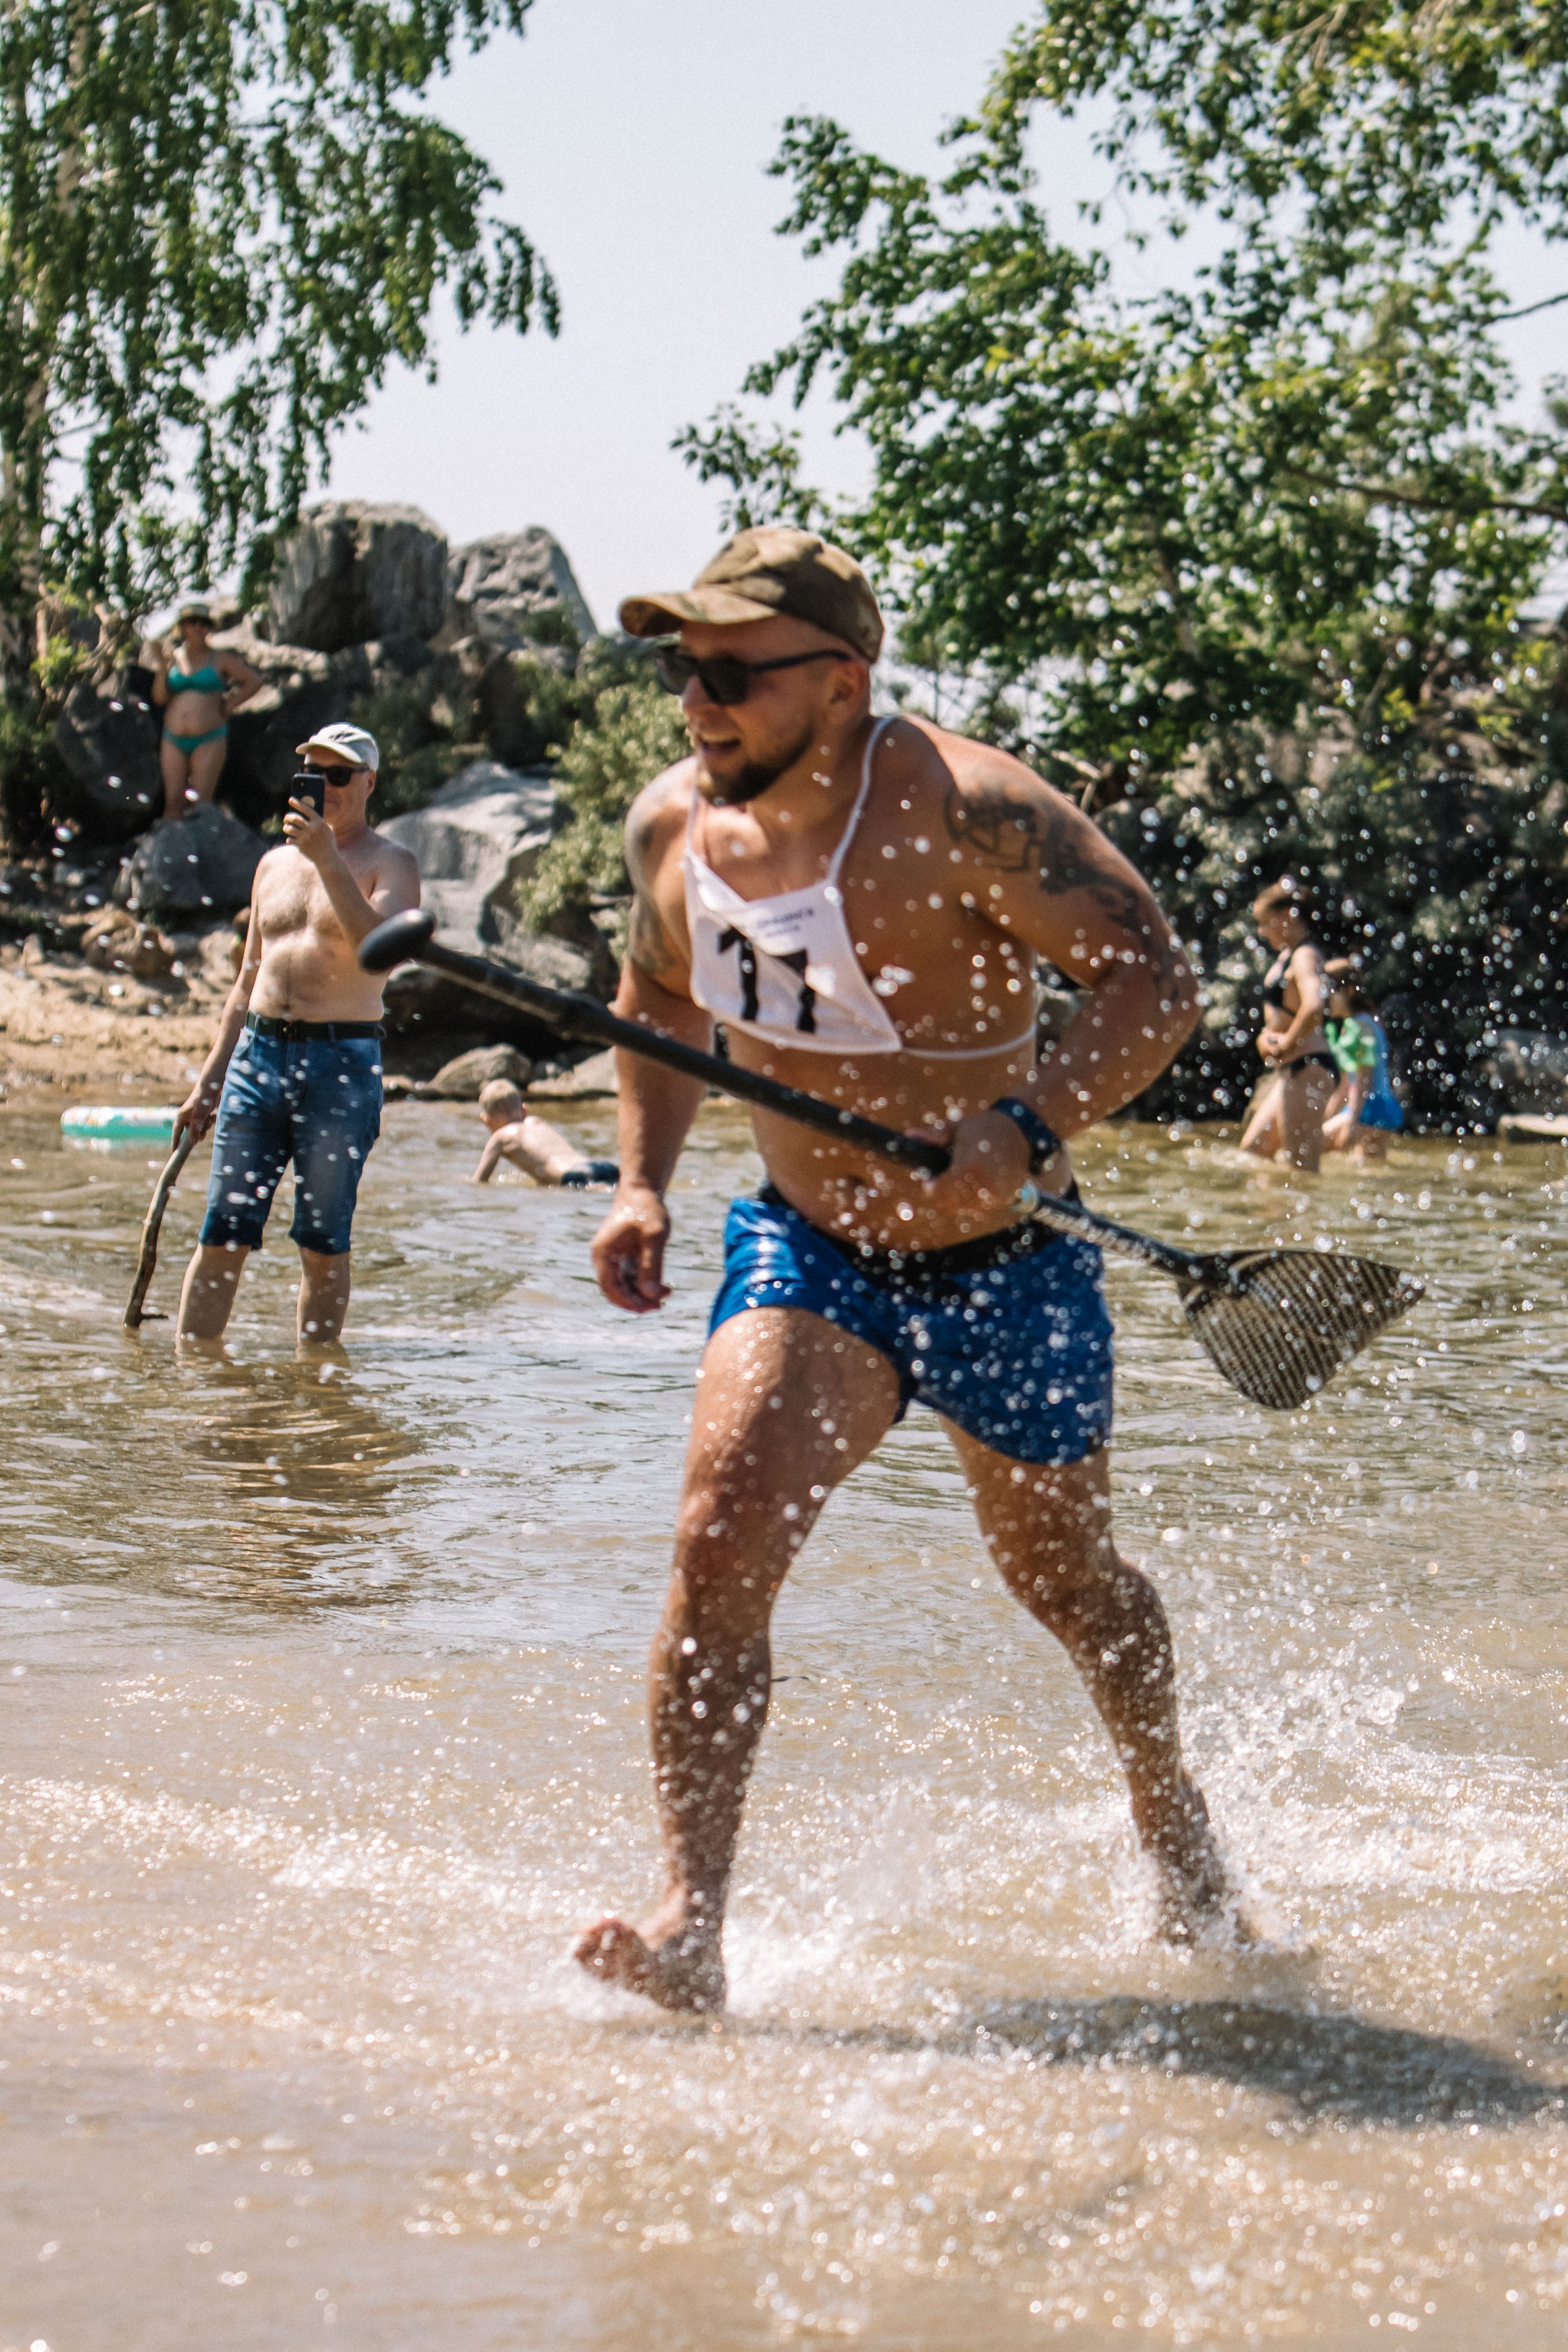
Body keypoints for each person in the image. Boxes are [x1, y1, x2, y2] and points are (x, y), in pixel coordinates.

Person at [571, 524, 1238, 2015]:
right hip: (808, 1254)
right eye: (684, 667)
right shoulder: (670, 829)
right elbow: (659, 995)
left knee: (1063, 1582)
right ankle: (691, 1920)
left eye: (733, 668)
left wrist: (1029, 1114)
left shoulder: (968, 809)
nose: (697, 698)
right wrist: (636, 1181)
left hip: (1004, 1260)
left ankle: (1164, 1809)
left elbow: (1155, 982)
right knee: (715, 1542)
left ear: (843, 677)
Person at [171, 722, 420, 1349]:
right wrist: (208, 1081)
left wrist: (328, 860)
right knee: (222, 1230)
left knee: (322, 1240)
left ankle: (318, 1394)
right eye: (314, 773)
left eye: (339, 776)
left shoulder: (393, 862)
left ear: (369, 783)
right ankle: (191, 1382)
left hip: (340, 1059)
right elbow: (246, 979)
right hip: (258, 1057)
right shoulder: (272, 864)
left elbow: (380, 952)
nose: (326, 786)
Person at [1238, 877, 1336, 1172]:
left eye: (1266, 922)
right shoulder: (1287, 956)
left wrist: (1287, 1043)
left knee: (1301, 1168)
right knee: (1255, 1150)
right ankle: (1274, 1216)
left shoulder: (1306, 955)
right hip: (1291, 1066)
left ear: (1287, 916)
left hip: (1307, 1066)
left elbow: (1315, 1006)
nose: (1262, 931)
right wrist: (1265, 1040)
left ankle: (1306, 1218)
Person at [150, 598, 262, 821]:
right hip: (173, 738)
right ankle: (170, 854)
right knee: (173, 802)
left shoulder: (221, 658)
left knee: (201, 805)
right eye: (193, 622)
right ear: (182, 627)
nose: (199, 627)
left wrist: (230, 704)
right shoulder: (172, 658)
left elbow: (253, 680)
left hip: (209, 738)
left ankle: (202, 854)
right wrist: (162, 667)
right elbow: (160, 698)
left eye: (204, 623)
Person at [1322, 960, 1403, 1162]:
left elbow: (1363, 1079)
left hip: (1371, 1109)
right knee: (1370, 1169)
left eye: (1330, 992)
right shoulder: (1353, 1025)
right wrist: (1325, 1116)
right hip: (1370, 1108)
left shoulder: (1360, 1027)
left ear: (1349, 991)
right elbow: (1345, 1085)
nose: (1323, 1000)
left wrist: (1351, 1121)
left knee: (1310, 1149)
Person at [470, 1079, 620, 1188]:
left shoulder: (500, 1138)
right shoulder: (536, 1122)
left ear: (486, 1121)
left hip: (577, 1177)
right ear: (524, 1110)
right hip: (601, 1166)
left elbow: (479, 1181)